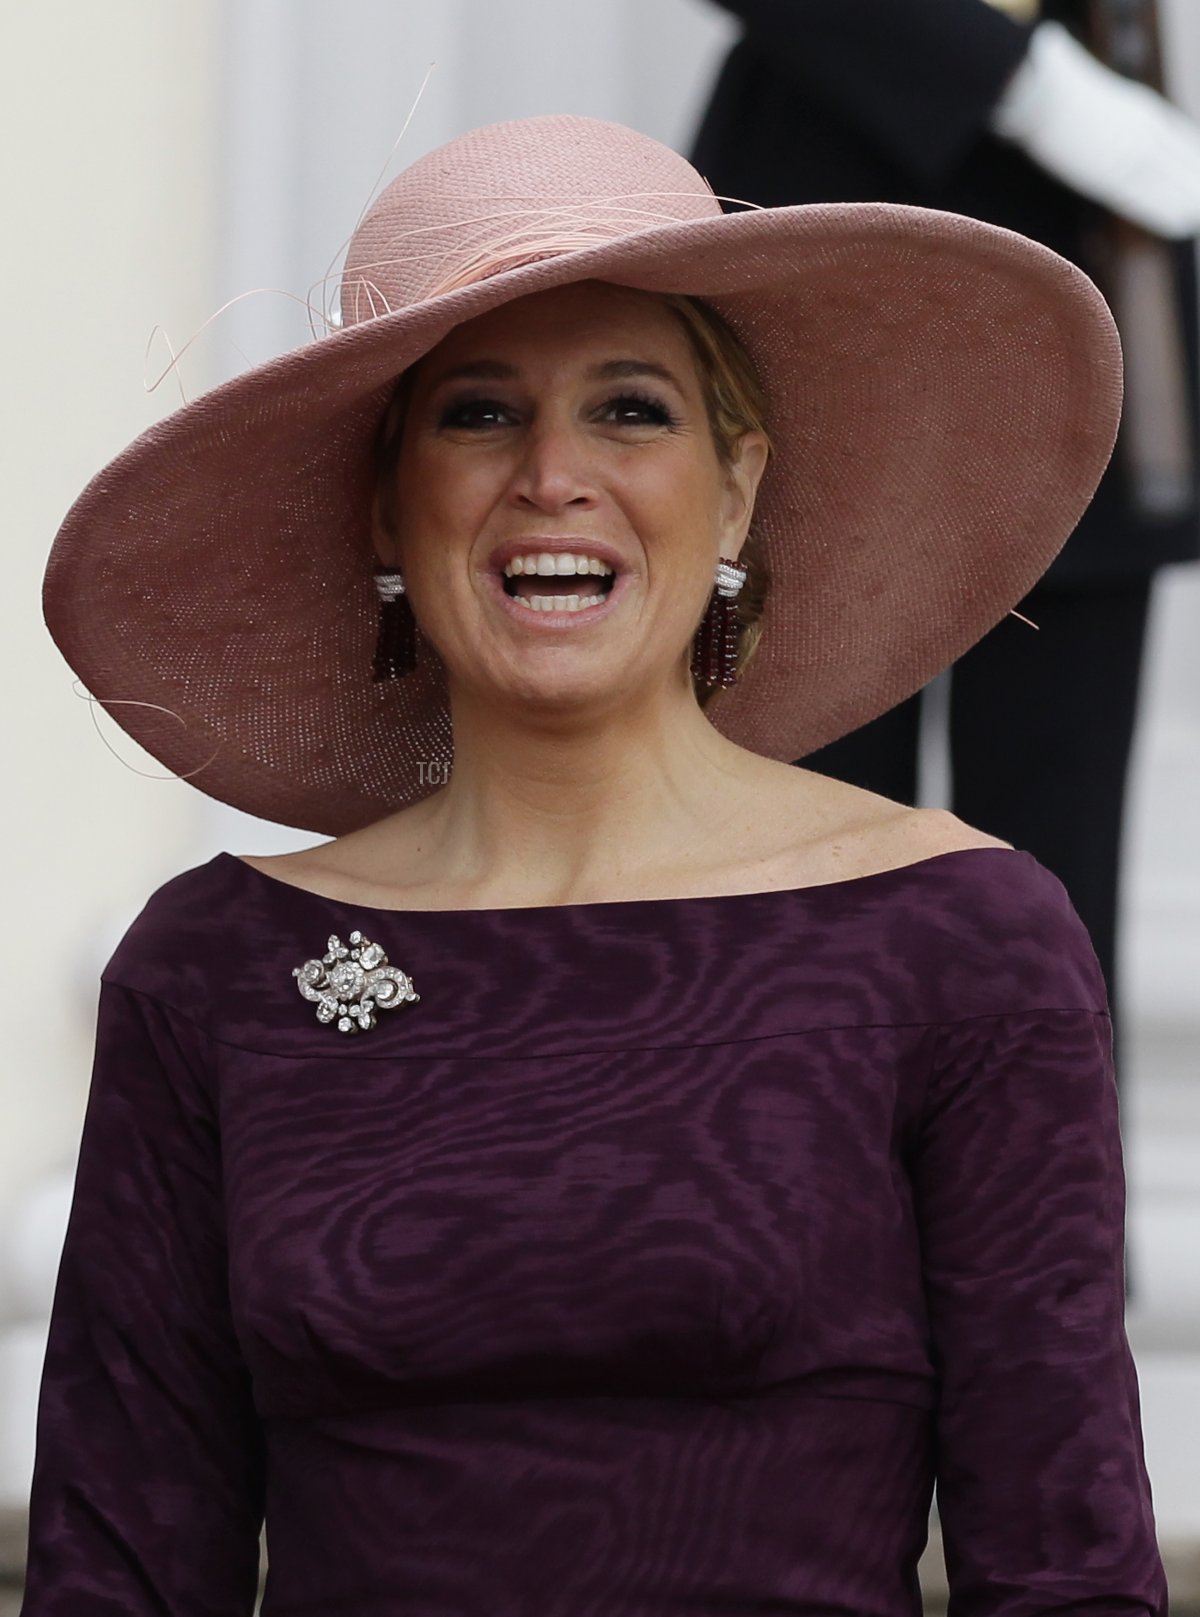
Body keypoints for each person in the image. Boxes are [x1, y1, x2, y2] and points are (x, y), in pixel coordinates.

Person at [22, 115, 1165, 1615]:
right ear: (385, 499)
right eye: (479, 415)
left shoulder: (959, 939)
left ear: (737, 486)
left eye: (631, 409)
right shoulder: (213, 965)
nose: (554, 474)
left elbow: (1067, 1569)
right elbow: (115, 1573)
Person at [690, 0, 1200, 1088]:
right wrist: (1014, 76)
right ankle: (798, 1228)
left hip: (1086, 249)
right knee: (803, 867)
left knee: (1054, 881)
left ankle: (1052, 1241)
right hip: (838, 242)